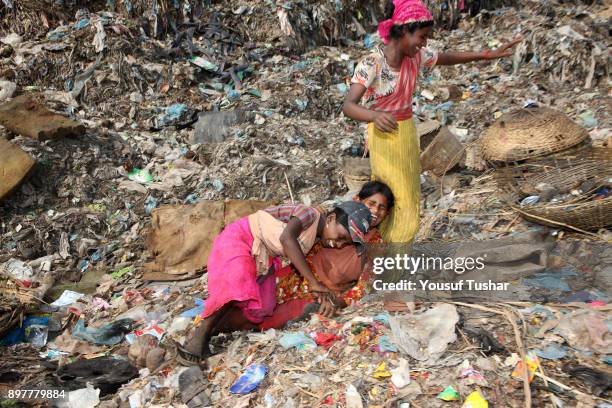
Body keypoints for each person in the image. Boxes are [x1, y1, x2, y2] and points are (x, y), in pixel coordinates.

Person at [342, 0, 521, 243]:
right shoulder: (372, 63)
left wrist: (486, 54)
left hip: (406, 132)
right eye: (422, 36)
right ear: (404, 31)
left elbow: (447, 57)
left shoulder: (415, 57)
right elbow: (349, 106)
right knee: (393, 198)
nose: (424, 43)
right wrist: (374, 115)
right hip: (383, 137)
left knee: (408, 199)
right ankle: (391, 256)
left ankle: (393, 254)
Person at [177, 201, 372, 365]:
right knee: (237, 286)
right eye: (340, 238)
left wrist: (323, 293)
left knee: (263, 306)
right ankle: (198, 339)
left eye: (344, 244)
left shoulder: (317, 238)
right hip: (242, 238)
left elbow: (304, 266)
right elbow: (286, 239)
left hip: (263, 255)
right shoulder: (308, 214)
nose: (337, 245)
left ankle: (213, 331)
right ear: (330, 219)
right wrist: (313, 282)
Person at [259, 181, 395, 329]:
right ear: (358, 201)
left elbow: (365, 286)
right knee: (257, 298)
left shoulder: (376, 245)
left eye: (382, 208)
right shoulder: (334, 221)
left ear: (387, 214)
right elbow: (302, 248)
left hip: (323, 297)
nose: (375, 211)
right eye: (371, 203)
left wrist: (337, 302)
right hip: (298, 278)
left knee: (282, 315)